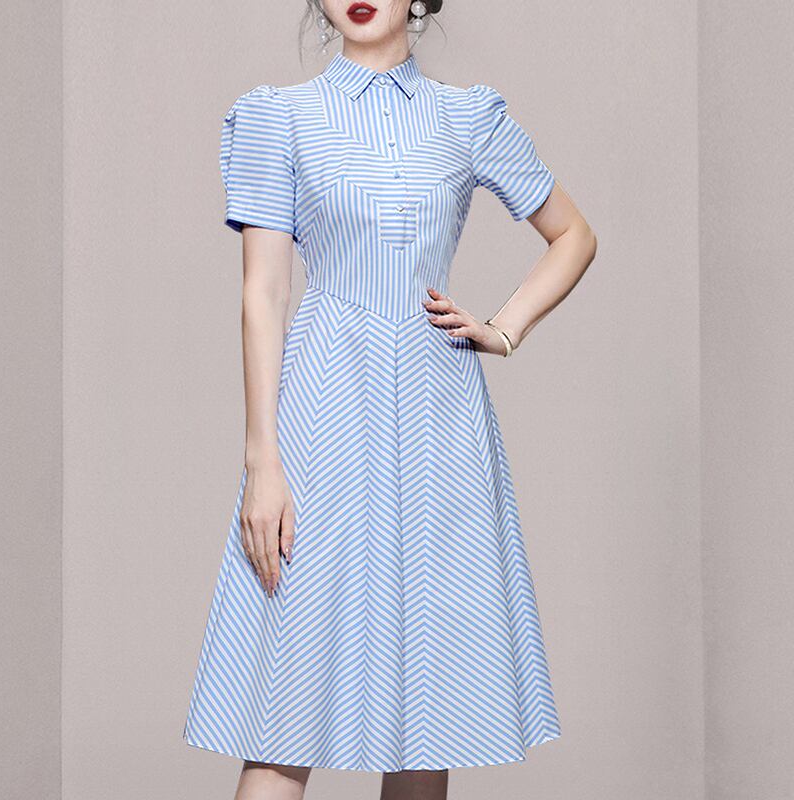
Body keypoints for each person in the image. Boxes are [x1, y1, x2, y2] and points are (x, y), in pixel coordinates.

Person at [183, 1, 597, 798]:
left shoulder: (467, 116)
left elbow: (574, 235)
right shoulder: (280, 116)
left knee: (425, 709)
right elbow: (264, 293)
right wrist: (263, 461)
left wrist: (505, 328)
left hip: (441, 419)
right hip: (324, 410)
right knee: (284, 705)